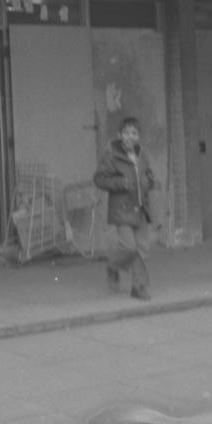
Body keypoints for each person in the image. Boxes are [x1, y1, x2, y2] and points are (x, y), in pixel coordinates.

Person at [93, 116, 156, 301]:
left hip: (141, 208)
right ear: (119, 135)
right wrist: (121, 182)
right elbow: (99, 179)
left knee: (142, 250)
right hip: (122, 209)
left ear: (139, 136)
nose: (130, 137)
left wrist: (149, 182)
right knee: (129, 247)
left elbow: (149, 173)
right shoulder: (112, 154)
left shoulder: (141, 154)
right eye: (127, 133)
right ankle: (113, 264)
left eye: (134, 133)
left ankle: (138, 287)